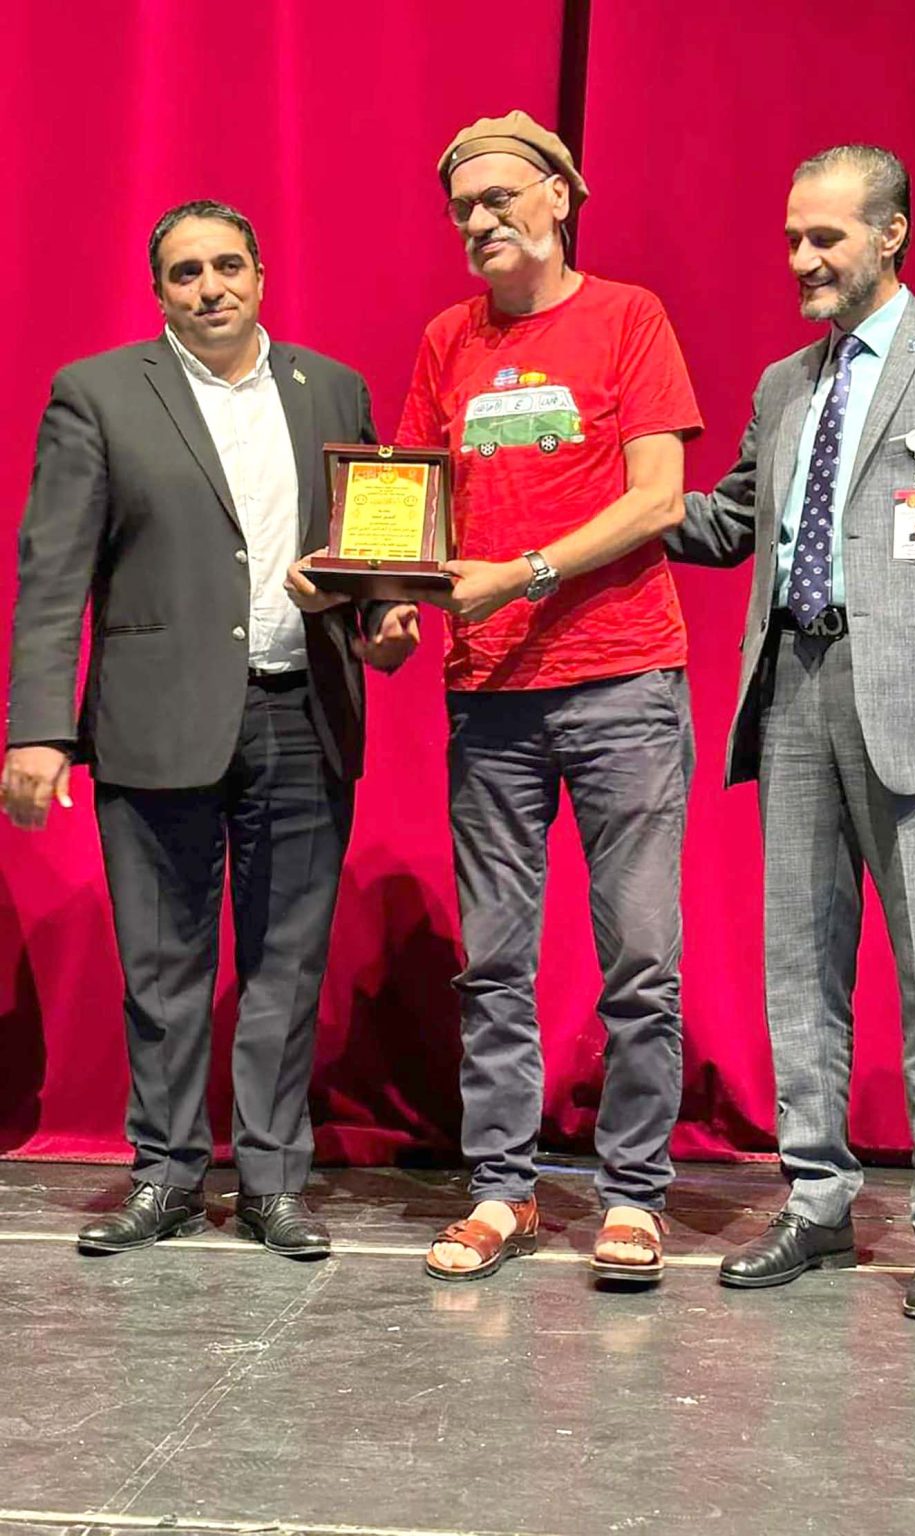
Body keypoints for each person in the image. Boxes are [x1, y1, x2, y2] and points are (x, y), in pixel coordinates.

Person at [291, 110, 701, 1284]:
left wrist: (520, 574)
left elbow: (660, 499)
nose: (479, 221)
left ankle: (633, 1195)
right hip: (490, 697)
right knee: (495, 962)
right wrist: (384, 603)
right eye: (462, 208)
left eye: (500, 197)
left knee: (640, 960)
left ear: (560, 197)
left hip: (622, 679)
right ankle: (503, 1191)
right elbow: (411, 512)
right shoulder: (448, 341)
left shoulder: (629, 317)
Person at [666, 145, 915, 1319]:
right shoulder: (786, 383)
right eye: (792, 237)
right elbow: (731, 521)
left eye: (825, 237)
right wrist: (605, 497)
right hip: (793, 687)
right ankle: (817, 1198)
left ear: (891, 234)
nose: (801, 258)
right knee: (799, 962)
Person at [2, 200, 417, 1258]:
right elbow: (53, 573)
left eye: (227, 265)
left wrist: (385, 618)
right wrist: (38, 728)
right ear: (159, 292)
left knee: (287, 963)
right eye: (185, 273)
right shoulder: (97, 393)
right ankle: (168, 1174)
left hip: (302, 713)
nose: (210, 287)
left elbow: (371, 549)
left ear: (261, 275)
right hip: (153, 718)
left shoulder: (333, 389)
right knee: (162, 965)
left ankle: (273, 1180)